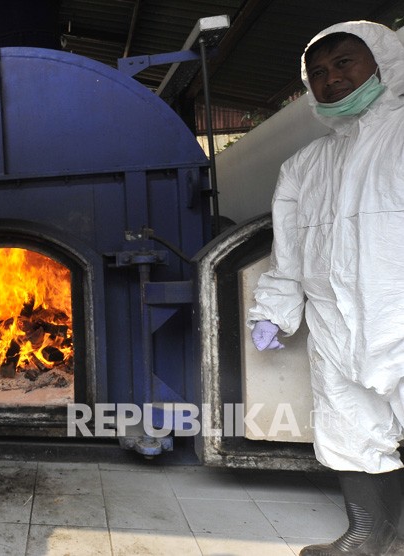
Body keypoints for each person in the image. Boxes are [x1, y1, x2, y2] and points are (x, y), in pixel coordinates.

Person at [248, 20, 404, 556]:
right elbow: (287, 257)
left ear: (382, 60)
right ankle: (368, 534)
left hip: (398, 312)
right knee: (347, 423)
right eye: (317, 73)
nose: (331, 79)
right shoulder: (304, 167)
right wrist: (273, 312)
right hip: (335, 321)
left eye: (343, 63)